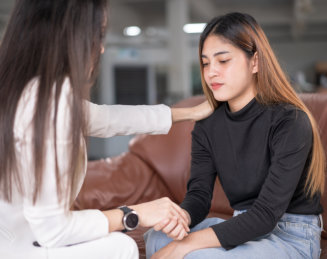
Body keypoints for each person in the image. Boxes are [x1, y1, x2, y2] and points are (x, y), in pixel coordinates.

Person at [0, 1, 210, 258]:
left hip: (16, 238)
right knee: (121, 247)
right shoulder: (51, 101)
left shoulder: (22, 88)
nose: (100, 48)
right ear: (70, 35)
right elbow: (52, 231)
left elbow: (110, 118)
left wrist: (192, 112)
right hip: (19, 246)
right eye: (97, 34)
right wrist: (134, 213)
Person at [145, 12, 326, 259]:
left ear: (255, 62)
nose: (211, 73)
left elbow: (264, 216)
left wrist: (185, 245)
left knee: (190, 254)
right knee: (157, 238)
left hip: (291, 235)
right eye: (206, 63)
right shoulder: (207, 125)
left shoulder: (290, 121)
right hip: (240, 225)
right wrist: (182, 218)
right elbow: (199, 196)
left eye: (223, 61)